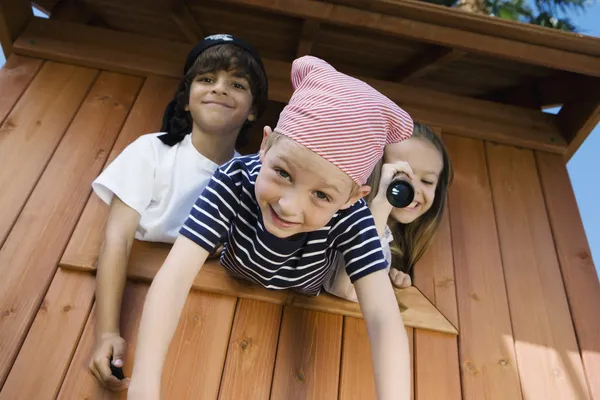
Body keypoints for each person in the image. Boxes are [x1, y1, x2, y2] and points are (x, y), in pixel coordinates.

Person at [127, 55, 414, 400]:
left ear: (354, 197)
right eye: (283, 173)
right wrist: (143, 386)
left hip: (309, 285)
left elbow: (383, 319)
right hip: (239, 265)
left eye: (321, 195)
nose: (289, 205)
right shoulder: (232, 179)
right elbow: (173, 279)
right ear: (265, 145)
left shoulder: (353, 217)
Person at [88, 33, 268, 391]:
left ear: (253, 110)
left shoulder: (253, 178)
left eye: (236, 83)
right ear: (186, 100)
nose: (220, 88)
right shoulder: (151, 152)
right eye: (206, 79)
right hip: (134, 304)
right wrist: (108, 331)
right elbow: (117, 239)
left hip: (215, 328)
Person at [323, 123, 454, 302]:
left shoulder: (402, 243)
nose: (413, 189)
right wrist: (381, 205)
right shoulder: (342, 219)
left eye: (427, 181)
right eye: (400, 174)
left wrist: (396, 275)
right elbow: (344, 288)